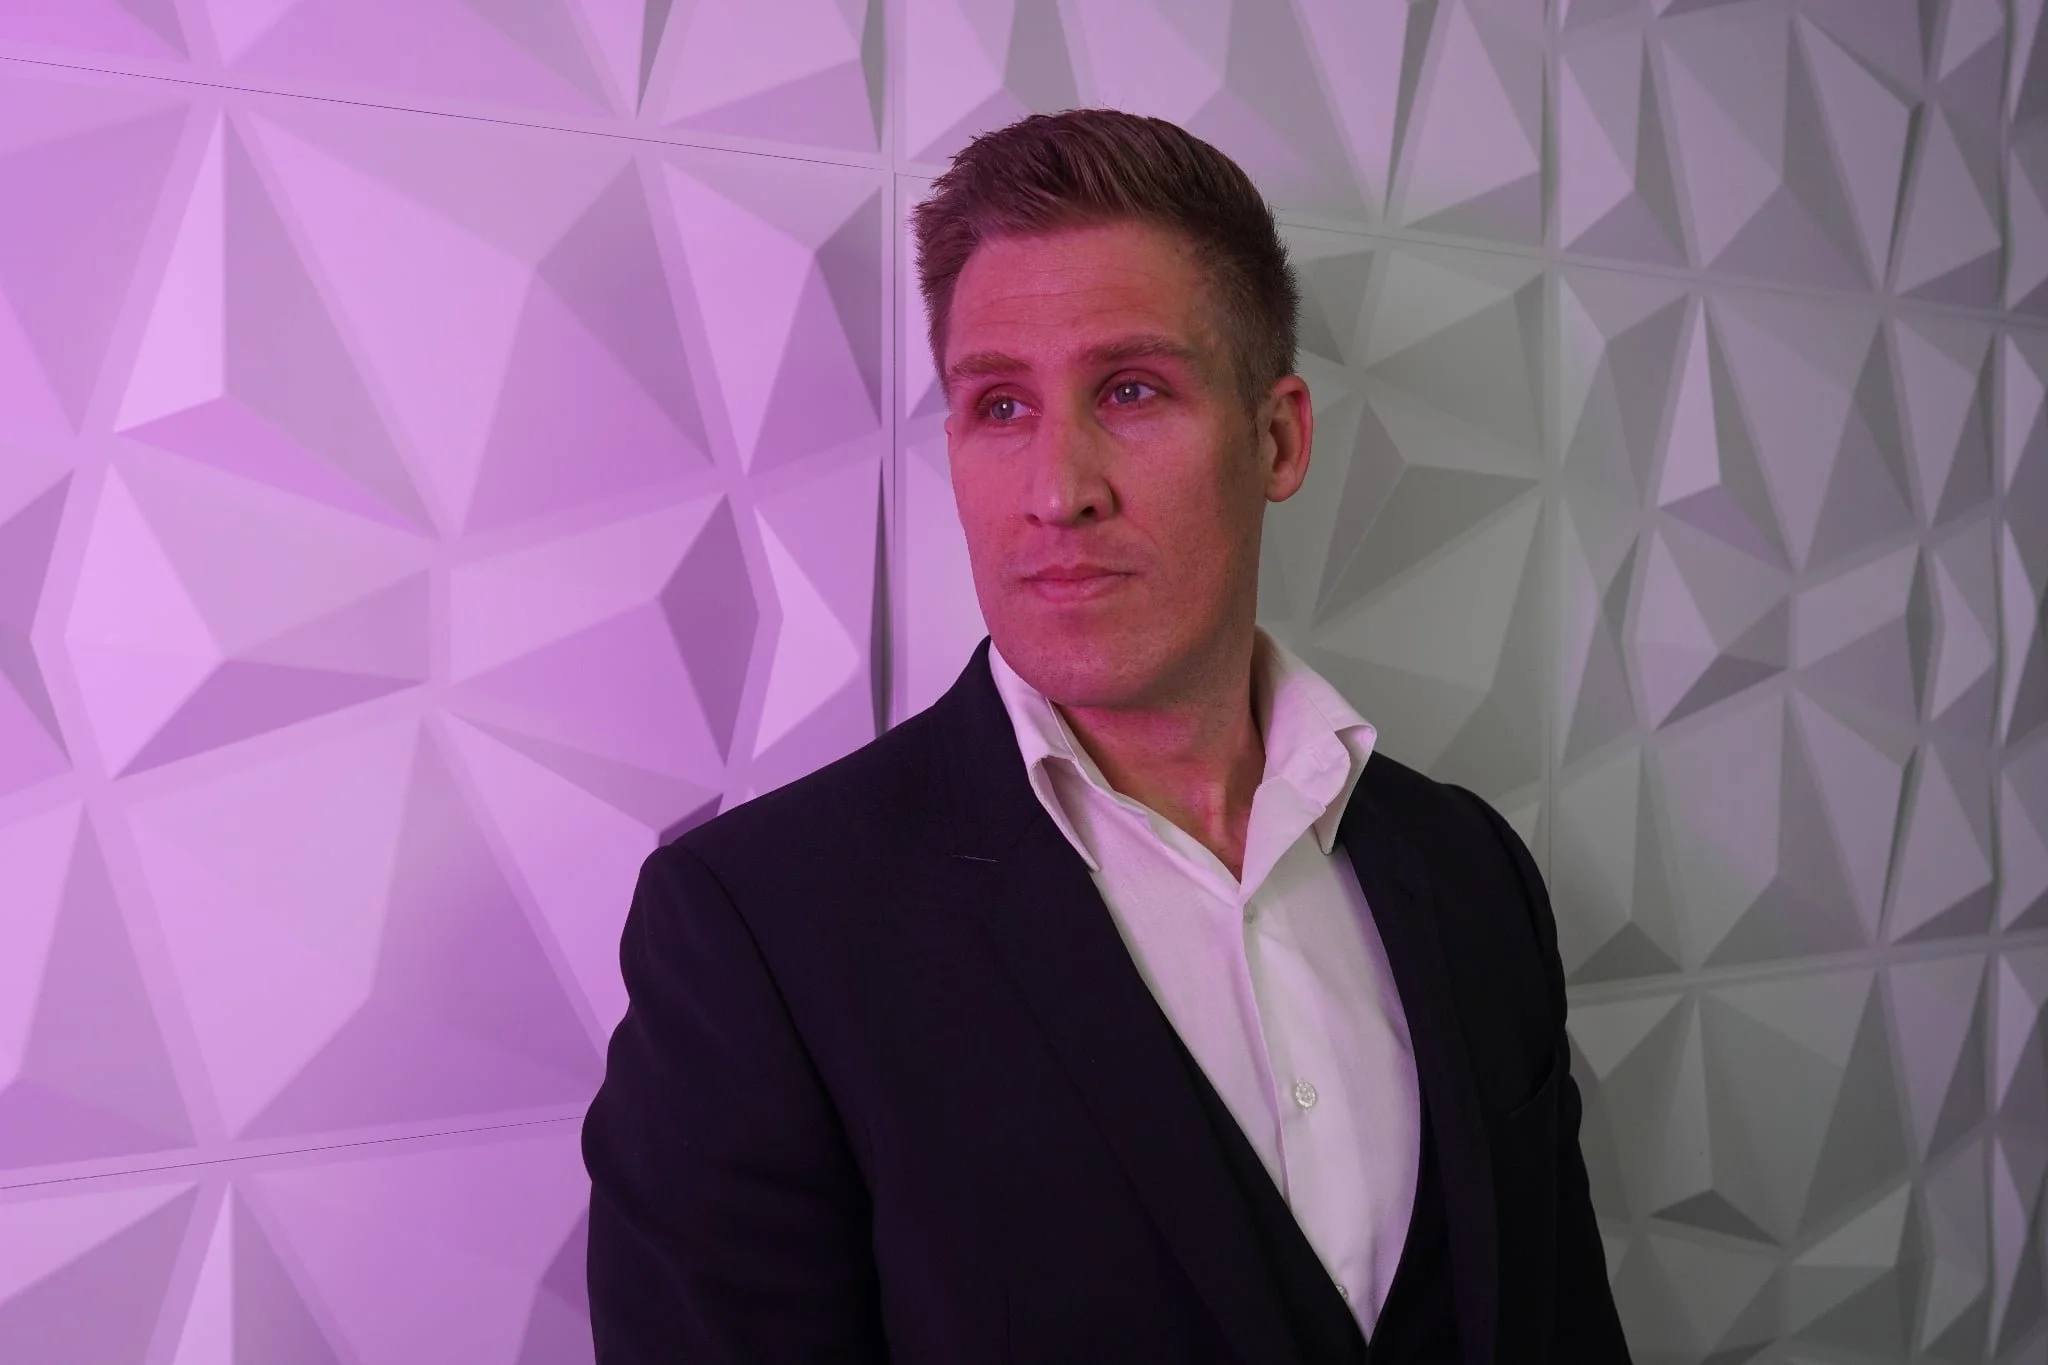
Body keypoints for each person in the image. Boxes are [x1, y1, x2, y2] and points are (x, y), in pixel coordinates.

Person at [581, 108, 1630, 1364]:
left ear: (1277, 438)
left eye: (1130, 391)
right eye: (998, 406)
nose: (1056, 490)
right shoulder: (755, 930)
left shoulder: (1472, 872)